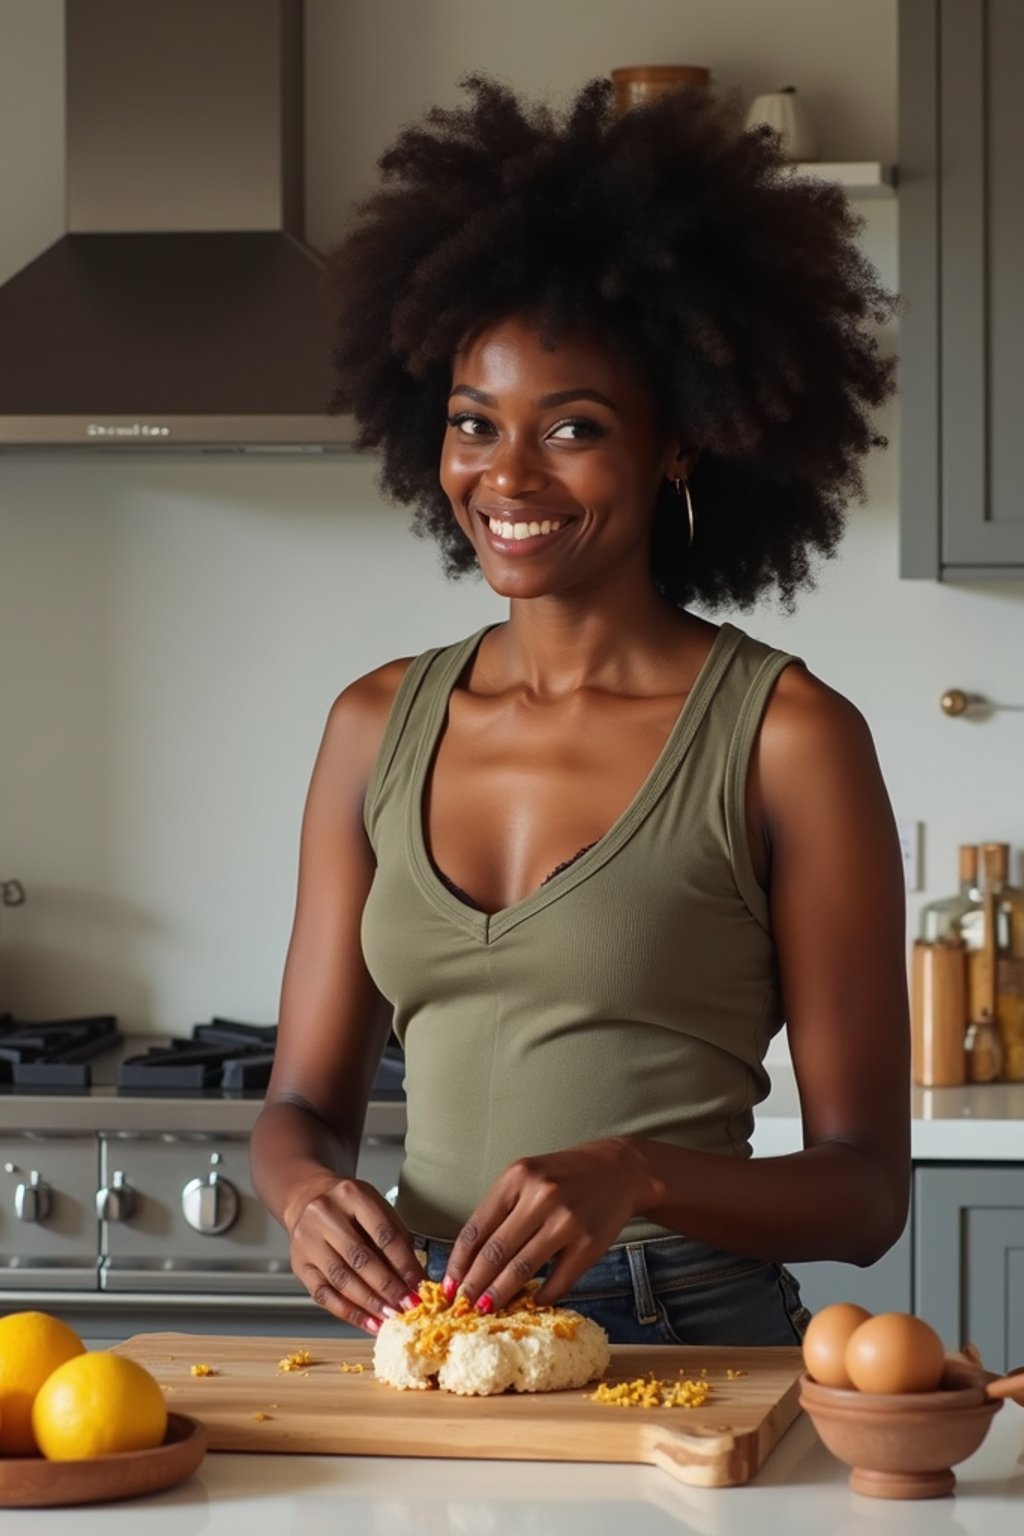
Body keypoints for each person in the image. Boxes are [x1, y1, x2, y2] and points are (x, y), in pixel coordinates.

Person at [250, 75, 909, 1347]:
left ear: (680, 445)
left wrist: (638, 1173)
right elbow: (301, 1105)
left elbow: (867, 1189)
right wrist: (306, 1194)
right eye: (471, 423)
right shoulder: (371, 725)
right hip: (427, 1336)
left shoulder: (785, 737)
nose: (506, 474)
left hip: (685, 1329)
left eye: (572, 428)